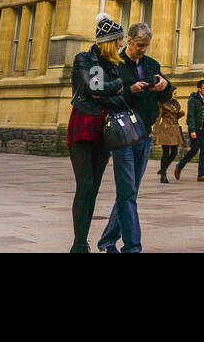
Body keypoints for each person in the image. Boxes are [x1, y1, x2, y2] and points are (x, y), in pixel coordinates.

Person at [98, 21, 170, 253]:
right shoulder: (113, 64)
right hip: (122, 133)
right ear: (128, 41)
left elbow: (167, 90)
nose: (143, 49)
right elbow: (103, 92)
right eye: (139, 45)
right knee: (127, 191)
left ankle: (108, 240)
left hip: (144, 134)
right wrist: (130, 89)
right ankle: (132, 247)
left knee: (130, 191)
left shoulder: (152, 64)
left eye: (146, 45)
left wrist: (164, 85)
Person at [68, 13, 129, 254]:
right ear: (109, 42)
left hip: (105, 128)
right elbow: (91, 87)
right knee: (84, 185)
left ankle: (82, 241)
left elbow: (119, 99)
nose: (121, 45)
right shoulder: (83, 58)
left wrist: (107, 91)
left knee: (93, 188)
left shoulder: (116, 66)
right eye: (118, 42)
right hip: (83, 124)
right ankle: (79, 244)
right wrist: (114, 87)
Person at [174, 79, 204, 181]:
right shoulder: (193, 99)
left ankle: (201, 174)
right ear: (199, 89)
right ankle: (179, 166)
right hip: (196, 129)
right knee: (194, 150)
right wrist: (192, 130)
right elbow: (191, 116)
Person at [154, 93, 183, 183]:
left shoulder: (175, 104)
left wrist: (181, 114)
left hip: (174, 129)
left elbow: (175, 117)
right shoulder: (163, 104)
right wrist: (155, 133)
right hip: (165, 129)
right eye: (174, 93)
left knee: (174, 152)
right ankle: (163, 176)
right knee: (165, 153)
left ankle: (163, 169)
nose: (176, 95)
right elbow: (158, 118)